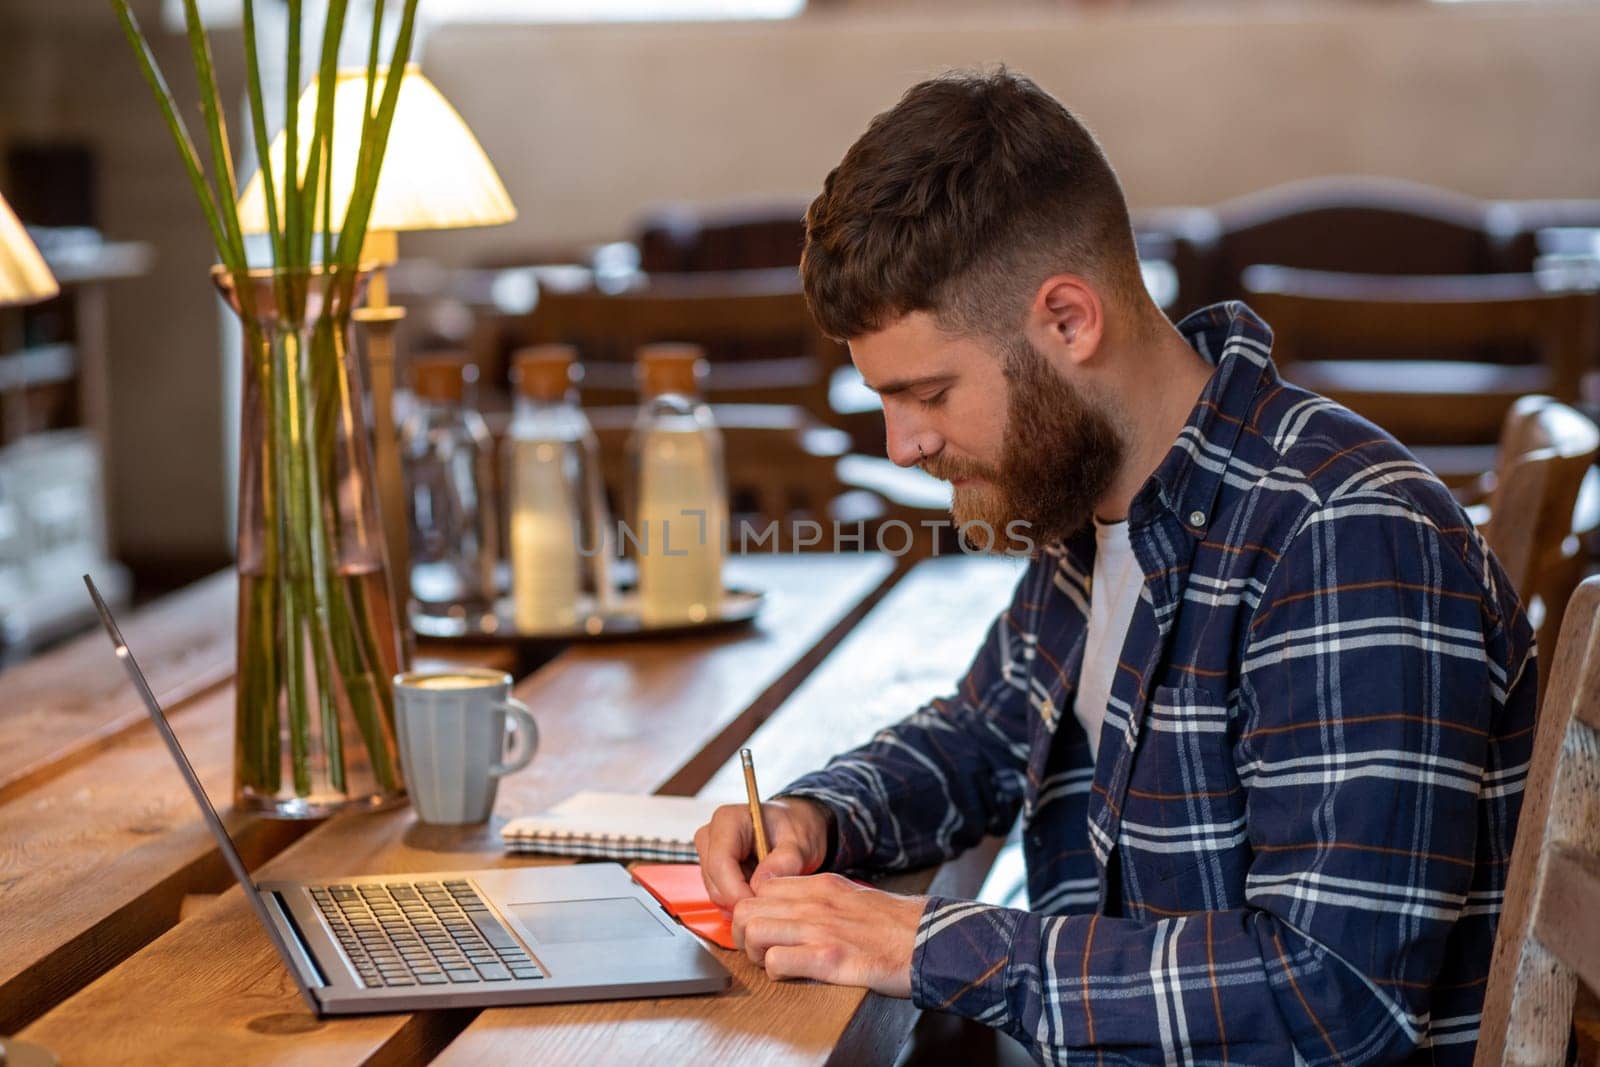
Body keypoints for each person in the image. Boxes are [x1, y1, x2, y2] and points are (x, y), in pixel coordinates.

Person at [694, 68, 1536, 1064]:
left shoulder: (1344, 535)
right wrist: (820, 815)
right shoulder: (1093, 493)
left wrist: (925, 939)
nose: (900, 445)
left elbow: (1330, 996)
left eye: (925, 391)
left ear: (1067, 320)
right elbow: (989, 732)